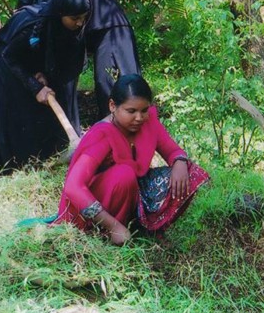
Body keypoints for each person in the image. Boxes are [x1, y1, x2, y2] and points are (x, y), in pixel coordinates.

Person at [54, 74, 209, 245]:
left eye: (144, 110)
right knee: (124, 174)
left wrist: (180, 162)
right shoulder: (102, 135)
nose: (139, 118)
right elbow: (73, 187)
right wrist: (113, 225)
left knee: (189, 172)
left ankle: (145, 229)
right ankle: (106, 233)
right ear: (113, 106)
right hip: (89, 210)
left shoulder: (149, 123)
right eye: (131, 111)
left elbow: (173, 150)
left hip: (129, 193)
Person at [0, 0, 90, 177]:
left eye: (83, 17)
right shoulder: (30, 25)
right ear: (59, 13)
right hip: (10, 63)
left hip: (33, 61)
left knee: (46, 107)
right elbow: (10, 56)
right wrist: (35, 87)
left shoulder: (66, 25)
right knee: (22, 112)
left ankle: (46, 155)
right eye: (75, 18)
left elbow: (57, 55)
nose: (80, 23)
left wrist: (44, 74)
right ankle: (19, 165)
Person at [58, 0, 142, 118]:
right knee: (130, 76)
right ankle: (131, 120)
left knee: (106, 82)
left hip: (108, 34)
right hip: (121, 29)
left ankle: (114, 123)